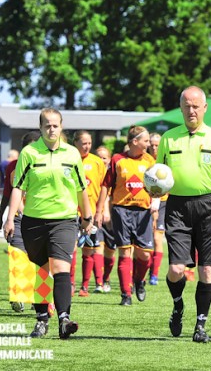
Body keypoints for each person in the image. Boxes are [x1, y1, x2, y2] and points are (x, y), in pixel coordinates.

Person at [155, 86, 211, 343]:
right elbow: (159, 175)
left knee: (206, 270)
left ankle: (201, 325)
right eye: (187, 106)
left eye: (196, 106)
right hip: (177, 207)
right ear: (180, 108)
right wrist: (154, 192)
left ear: (204, 108)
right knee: (176, 269)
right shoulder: (168, 139)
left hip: (208, 206)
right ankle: (177, 305)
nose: (191, 110)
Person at [3, 108, 93, 339]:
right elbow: (18, 189)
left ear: (61, 126)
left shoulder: (72, 154)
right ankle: (42, 319)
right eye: (47, 125)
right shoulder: (29, 153)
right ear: (41, 128)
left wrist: (87, 216)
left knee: (61, 267)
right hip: (33, 221)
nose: (51, 129)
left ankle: (64, 319)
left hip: (64, 220)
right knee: (41, 272)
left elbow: (81, 189)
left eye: (55, 125)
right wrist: (10, 218)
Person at [95, 125, 156, 306]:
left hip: (143, 212)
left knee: (145, 255)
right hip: (121, 210)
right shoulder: (117, 160)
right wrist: (100, 210)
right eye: (145, 141)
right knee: (125, 252)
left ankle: (139, 281)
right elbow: (106, 185)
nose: (148, 145)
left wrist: (157, 203)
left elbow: (157, 186)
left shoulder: (150, 161)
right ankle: (126, 294)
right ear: (135, 142)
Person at [0, 131, 41, 313]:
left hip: (38, 217)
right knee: (18, 256)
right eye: (27, 147)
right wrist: (1, 216)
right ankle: (18, 295)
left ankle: (36, 298)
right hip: (16, 218)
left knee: (35, 260)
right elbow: (8, 193)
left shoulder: (44, 165)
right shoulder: (12, 167)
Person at [74, 130, 107, 297]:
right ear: (75, 143)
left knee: (89, 249)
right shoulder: (70, 159)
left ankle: (85, 286)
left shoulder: (96, 162)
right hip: (71, 211)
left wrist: (101, 210)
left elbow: (103, 187)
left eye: (89, 143)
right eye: (83, 143)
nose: (87, 146)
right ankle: (70, 284)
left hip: (91, 212)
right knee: (71, 249)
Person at [95, 146, 117, 293]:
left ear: (109, 159)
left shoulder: (113, 173)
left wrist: (107, 210)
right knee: (97, 247)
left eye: (104, 157)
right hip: (95, 215)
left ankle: (106, 278)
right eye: (99, 157)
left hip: (112, 217)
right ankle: (98, 283)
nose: (102, 160)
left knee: (110, 251)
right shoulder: (90, 171)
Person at [147, 132, 166, 286]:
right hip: (144, 204)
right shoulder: (146, 162)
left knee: (157, 238)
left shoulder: (166, 162)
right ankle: (142, 272)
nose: (154, 148)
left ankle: (154, 274)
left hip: (163, 203)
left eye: (157, 145)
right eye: (151, 145)